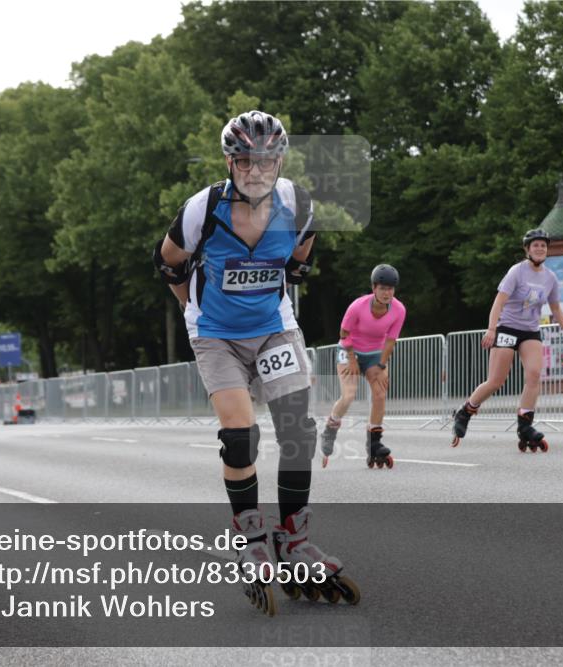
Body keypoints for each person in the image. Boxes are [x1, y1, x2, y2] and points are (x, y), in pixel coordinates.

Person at [153, 110, 358, 615]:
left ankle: (293, 540)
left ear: (280, 161)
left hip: (273, 329)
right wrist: (190, 309)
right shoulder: (203, 209)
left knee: (296, 431)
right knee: (241, 436)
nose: (256, 170)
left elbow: (299, 262)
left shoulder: (299, 206)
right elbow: (167, 262)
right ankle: (250, 538)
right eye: (245, 160)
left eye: (266, 160)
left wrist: (267, 293)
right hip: (216, 335)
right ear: (230, 162)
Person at [450, 229, 563, 452]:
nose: (540, 249)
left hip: (530, 331)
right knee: (496, 381)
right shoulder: (516, 272)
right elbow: (499, 302)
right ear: (527, 249)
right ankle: (466, 410)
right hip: (507, 327)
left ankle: (525, 425)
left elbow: (555, 306)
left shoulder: (550, 278)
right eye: (535, 245)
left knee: (534, 375)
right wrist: (491, 329)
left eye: (543, 246)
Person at [320, 264, 406, 469]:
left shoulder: (399, 309)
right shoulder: (358, 306)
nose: (387, 293)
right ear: (374, 288)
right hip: (349, 349)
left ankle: (374, 443)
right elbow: (344, 334)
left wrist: (381, 365)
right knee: (349, 395)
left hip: (375, 353)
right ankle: (330, 428)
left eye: (391, 289)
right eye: (383, 288)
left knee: (380, 393)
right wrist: (351, 359)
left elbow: (390, 341)